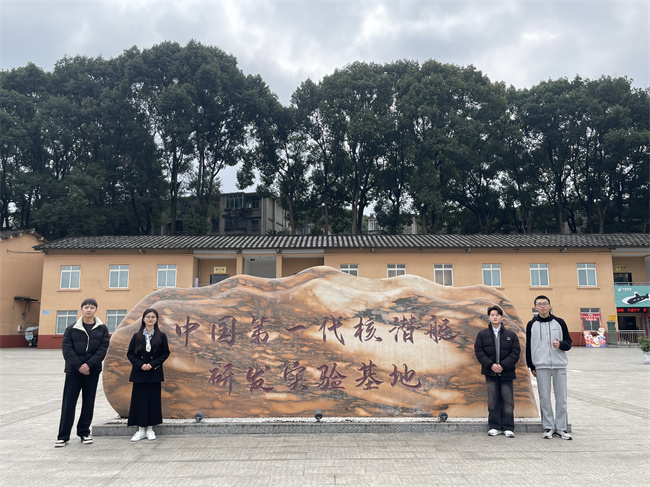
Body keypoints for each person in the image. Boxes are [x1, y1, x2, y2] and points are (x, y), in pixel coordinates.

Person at [55, 298, 110, 447]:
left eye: (92, 307)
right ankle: (63, 436)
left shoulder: (102, 329)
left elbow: (102, 349)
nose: (89, 310)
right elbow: (67, 349)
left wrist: (89, 365)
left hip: (92, 371)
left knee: (88, 402)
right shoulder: (71, 329)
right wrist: (79, 366)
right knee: (69, 403)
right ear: (81, 309)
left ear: (96, 310)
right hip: (73, 371)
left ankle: (84, 432)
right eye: (86, 307)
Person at [525, 295, 573, 440]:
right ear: (535, 307)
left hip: (559, 365)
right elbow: (529, 346)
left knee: (561, 398)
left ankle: (562, 428)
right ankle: (548, 427)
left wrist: (561, 345)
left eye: (545, 304)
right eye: (539, 304)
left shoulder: (559, 322)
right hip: (541, 365)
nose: (542, 306)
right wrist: (531, 366)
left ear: (550, 306)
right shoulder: (531, 324)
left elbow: (568, 343)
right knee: (544, 397)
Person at [474, 305, 521, 438]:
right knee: (493, 400)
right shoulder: (482, 335)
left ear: (501, 317)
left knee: (508, 401)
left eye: (497, 315)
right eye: (492, 315)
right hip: (490, 372)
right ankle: (494, 426)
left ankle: (508, 427)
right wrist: (491, 365)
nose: (495, 317)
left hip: (507, 373)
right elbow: (479, 351)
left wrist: (503, 365)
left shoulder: (511, 335)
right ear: (489, 317)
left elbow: (515, 352)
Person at [127, 308, 170, 441]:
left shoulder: (161, 336)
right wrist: (141, 365)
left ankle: (150, 429)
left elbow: (165, 353)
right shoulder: (136, 336)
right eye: (148, 316)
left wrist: (152, 365)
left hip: (154, 373)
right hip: (139, 374)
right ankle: (140, 430)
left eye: (153, 317)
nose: (150, 319)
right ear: (143, 319)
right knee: (139, 402)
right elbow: (130, 354)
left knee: (153, 402)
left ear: (156, 319)